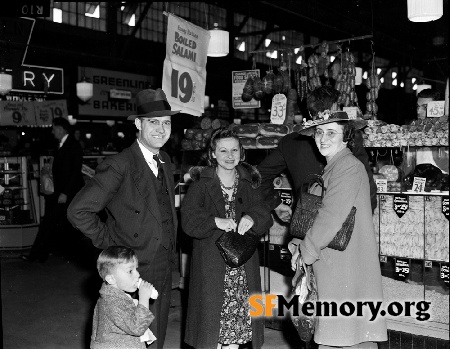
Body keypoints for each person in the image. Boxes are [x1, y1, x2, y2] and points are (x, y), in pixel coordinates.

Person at [67, 88, 180, 349]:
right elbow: (78, 210)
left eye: (166, 123)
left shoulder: (164, 160)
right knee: (132, 338)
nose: (161, 130)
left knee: (156, 335)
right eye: (153, 122)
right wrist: (112, 245)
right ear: (138, 124)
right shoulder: (120, 164)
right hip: (133, 266)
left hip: (162, 261)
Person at [290, 111, 387, 348]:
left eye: (331, 132)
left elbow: (330, 216)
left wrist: (306, 251)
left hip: (344, 264)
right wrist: (299, 244)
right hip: (337, 261)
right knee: (348, 333)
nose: (323, 138)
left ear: (346, 137)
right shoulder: (334, 166)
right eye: (319, 132)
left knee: (342, 334)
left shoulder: (347, 167)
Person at [180, 128, 273, 349]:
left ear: (241, 152)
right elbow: (188, 221)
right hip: (212, 268)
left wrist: (252, 217)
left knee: (240, 331)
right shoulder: (201, 185)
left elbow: (264, 213)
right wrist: (214, 221)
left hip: (243, 269)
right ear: (212, 154)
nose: (229, 156)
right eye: (223, 150)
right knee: (213, 331)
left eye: (234, 150)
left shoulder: (248, 183)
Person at [257, 85, 377, 225]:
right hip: (343, 223)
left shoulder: (290, 142)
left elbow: (259, 175)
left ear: (309, 111)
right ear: (336, 108)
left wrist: (276, 204)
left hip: (305, 222)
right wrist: (364, 219)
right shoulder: (350, 137)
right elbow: (367, 184)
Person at [22, 117, 84, 262]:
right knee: (55, 223)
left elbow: (75, 172)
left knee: (52, 223)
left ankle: (39, 255)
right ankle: (42, 255)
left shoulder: (73, 146)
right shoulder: (62, 145)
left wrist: (65, 193)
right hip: (59, 192)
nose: (52, 131)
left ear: (61, 129)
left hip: (66, 193)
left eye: (54, 128)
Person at [91, 246, 156, 349]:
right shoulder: (112, 303)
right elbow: (138, 327)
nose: (138, 274)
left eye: (136, 269)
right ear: (111, 279)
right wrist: (144, 298)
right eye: (130, 271)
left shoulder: (113, 295)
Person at [414, 88, 449, 173]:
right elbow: (408, 166)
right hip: (420, 182)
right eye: (418, 107)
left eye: (425, 107)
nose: (419, 111)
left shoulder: (446, 130)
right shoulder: (415, 129)